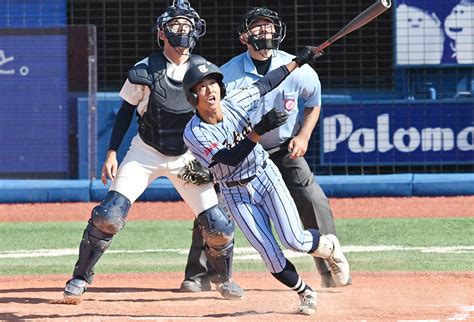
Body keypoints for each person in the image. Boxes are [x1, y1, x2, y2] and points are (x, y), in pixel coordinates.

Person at [63, 0, 243, 301]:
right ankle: (80, 277)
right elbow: (124, 113)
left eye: (187, 26)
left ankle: (224, 279)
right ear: (162, 33)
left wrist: (215, 159)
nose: (182, 31)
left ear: (196, 31)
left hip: (186, 158)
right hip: (146, 153)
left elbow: (214, 117)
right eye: (176, 26)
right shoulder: (145, 70)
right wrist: (111, 152)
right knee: (108, 215)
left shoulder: (204, 71)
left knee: (219, 226)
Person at [181, 7, 349, 291]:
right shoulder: (228, 75)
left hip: (282, 149)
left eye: (268, 26)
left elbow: (313, 103)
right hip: (235, 153)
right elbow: (213, 120)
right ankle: (202, 276)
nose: (264, 32)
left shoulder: (297, 68)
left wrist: (304, 135)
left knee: (313, 200)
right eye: (257, 27)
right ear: (244, 37)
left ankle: (330, 267)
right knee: (211, 212)